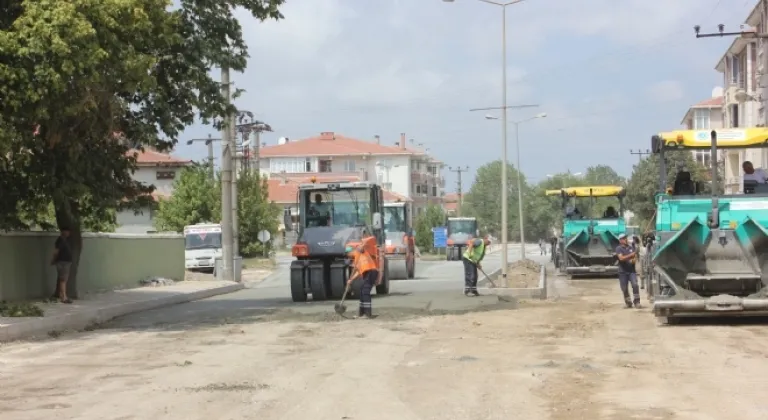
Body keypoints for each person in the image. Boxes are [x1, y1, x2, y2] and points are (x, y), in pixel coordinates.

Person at [346, 234, 383, 318]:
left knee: (365, 291)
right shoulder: (356, 259)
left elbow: (363, 246)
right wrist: (351, 279)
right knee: (362, 290)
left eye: (348, 253)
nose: (348, 256)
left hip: (371, 271)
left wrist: (362, 244)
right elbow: (358, 271)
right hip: (367, 273)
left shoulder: (359, 251)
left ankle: (368, 314)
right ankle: (361, 313)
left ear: (350, 251)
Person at [615, 233, 640, 309]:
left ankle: (637, 302)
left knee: (635, 285)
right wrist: (631, 255)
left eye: (625, 237)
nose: (625, 239)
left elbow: (635, 257)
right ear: (620, 241)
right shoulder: (618, 248)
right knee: (624, 288)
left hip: (631, 271)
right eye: (623, 238)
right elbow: (621, 258)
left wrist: (633, 259)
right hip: (622, 272)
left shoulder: (631, 247)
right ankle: (628, 302)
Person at [50, 226, 73, 304]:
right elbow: (56, 251)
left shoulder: (65, 240)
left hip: (65, 262)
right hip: (62, 262)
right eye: (67, 231)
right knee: (63, 279)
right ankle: (64, 297)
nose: (68, 233)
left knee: (63, 279)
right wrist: (53, 260)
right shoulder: (60, 240)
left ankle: (61, 295)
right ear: (64, 232)